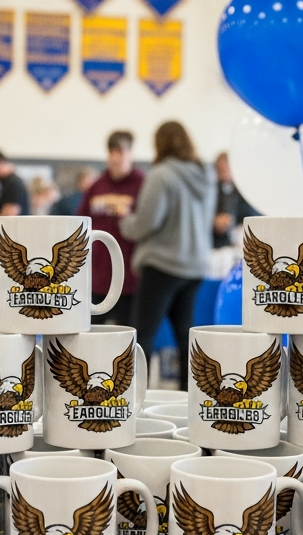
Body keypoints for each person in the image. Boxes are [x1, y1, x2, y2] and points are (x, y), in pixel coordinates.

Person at [120, 121, 215, 391]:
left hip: (162, 264)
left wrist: (126, 223)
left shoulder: (160, 175)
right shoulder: (205, 174)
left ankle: (134, 397)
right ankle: (191, 396)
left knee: (141, 336)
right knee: (186, 336)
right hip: (195, 265)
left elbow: (147, 222)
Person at [80, 130, 144, 328]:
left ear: (130, 154)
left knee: (128, 334)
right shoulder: (97, 186)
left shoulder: (143, 184)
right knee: (88, 332)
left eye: (121, 152)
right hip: (97, 277)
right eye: (112, 153)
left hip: (130, 278)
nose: (117, 158)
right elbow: (80, 221)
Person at [212, 152, 257, 249]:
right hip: (214, 243)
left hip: (237, 244)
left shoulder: (244, 192)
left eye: (226, 169)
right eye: (220, 170)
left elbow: (251, 216)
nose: (224, 172)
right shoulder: (210, 191)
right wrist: (214, 222)